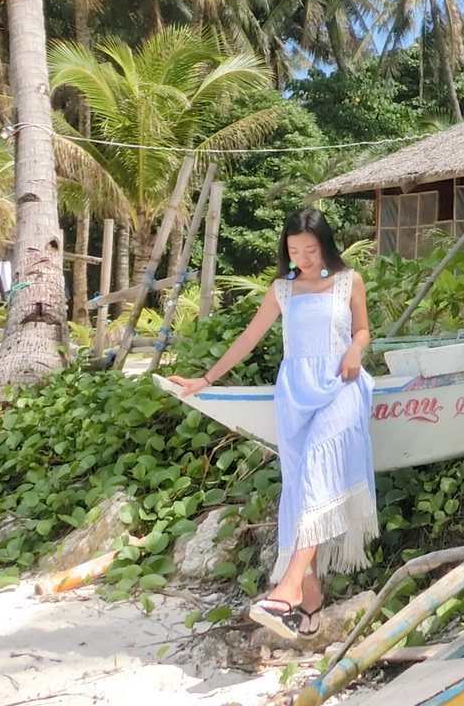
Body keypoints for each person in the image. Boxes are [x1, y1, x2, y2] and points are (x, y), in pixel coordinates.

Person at [168, 207, 376, 639]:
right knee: (300, 488)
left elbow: (362, 330)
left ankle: (286, 589)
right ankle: (311, 598)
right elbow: (249, 337)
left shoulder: (347, 281)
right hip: (294, 394)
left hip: (341, 386)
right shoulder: (282, 289)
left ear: (326, 246)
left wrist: (354, 350)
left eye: (310, 249)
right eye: (293, 249)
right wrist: (206, 378)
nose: (301, 256)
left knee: (318, 472)